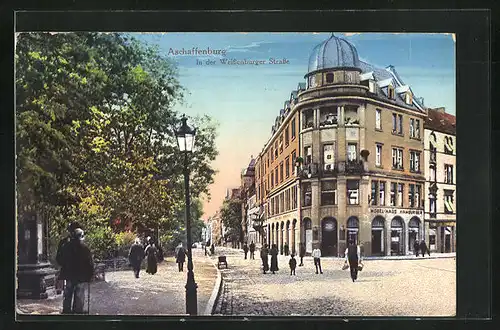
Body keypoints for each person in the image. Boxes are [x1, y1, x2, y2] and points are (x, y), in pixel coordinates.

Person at [57, 228, 94, 314]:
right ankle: (77, 312)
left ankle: (66, 312)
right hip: (81, 276)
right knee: (79, 295)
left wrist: (65, 266)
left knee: (68, 294)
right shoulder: (85, 249)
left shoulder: (66, 247)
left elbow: (59, 259)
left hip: (69, 275)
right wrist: (90, 275)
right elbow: (90, 264)